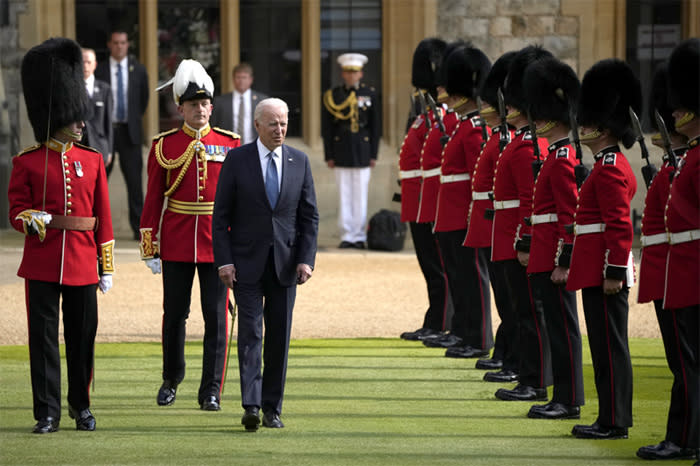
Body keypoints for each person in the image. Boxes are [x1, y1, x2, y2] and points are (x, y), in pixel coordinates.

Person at [9, 37, 114, 433]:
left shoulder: (92, 161)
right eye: (75, 117)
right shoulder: (28, 163)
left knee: (83, 339)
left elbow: (101, 217)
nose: (81, 123)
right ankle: (48, 411)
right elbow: (16, 212)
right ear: (60, 116)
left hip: (84, 262)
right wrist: (31, 218)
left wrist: (106, 267)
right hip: (42, 259)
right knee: (44, 342)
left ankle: (80, 406)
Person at [139, 60, 241, 411]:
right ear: (180, 107)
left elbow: (241, 203)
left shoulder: (231, 144)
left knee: (216, 318)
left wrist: (240, 246)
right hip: (178, 239)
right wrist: (150, 245)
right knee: (174, 315)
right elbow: (153, 197)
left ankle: (211, 389)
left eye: (204, 104)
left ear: (211, 106)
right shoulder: (163, 145)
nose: (200, 110)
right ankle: (171, 378)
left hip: (218, 243)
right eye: (193, 105)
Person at [213, 97, 319, 431]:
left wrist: (306, 259)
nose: (279, 129)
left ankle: (273, 408)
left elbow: (309, 216)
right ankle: (252, 405)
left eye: (284, 122)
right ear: (257, 125)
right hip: (246, 264)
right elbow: (221, 217)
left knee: (279, 338)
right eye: (273, 123)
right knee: (250, 335)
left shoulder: (299, 161)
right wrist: (225, 261)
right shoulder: (237, 159)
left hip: (286, 265)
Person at [568, 58, 640, 440]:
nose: (582, 128)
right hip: (598, 267)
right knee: (604, 347)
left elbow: (618, 224)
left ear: (602, 126)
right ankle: (610, 416)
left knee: (610, 349)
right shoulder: (605, 164)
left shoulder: (610, 166)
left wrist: (613, 271)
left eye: (587, 122)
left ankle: (614, 421)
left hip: (605, 271)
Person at [636, 38, 699, 461]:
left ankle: (687, 438)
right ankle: (682, 436)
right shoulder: (690, 157)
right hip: (682, 270)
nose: (673, 114)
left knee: (691, 363)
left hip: (693, 271)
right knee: (684, 363)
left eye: (681, 106)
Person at [521, 57, 584, 420]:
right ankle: (563, 396)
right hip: (545, 254)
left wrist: (564, 261)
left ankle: (569, 399)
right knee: (556, 329)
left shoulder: (560, 160)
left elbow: (568, 217)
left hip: (553, 257)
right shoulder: (554, 157)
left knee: (563, 330)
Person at [489, 46, 552, 401]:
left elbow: (531, 202)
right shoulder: (520, 141)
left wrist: (525, 240)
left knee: (530, 313)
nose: (507, 109)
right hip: (510, 235)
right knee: (521, 311)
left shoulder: (529, 145)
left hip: (520, 239)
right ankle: (529, 374)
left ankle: (535, 379)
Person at [431, 44, 493, 358]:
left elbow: (475, 179)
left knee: (473, 278)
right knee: (460, 278)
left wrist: (473, 217)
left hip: (465, 217)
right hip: (451, 215)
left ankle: (479, 338)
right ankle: (463, 332)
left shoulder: (473, 129)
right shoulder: (463, 127)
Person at [462, 51, 517, 373]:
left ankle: (512, 355)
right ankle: (506, 351)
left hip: (506, 225)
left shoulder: (509, 141)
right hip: (494, 221)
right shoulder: (498, 138)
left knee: (512, 300)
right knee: (505, 297)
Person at [398, 38, 451, 342]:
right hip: (417, 200)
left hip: (429, 202)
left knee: (438, 266)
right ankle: (437, 319)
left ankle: (441, 321)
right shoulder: (424, 114)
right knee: (431, 266)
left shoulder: (440, 117)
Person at [95, 28, 149, 240]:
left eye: (123, 43)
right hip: (104, 133)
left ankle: (139, 231)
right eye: (116, 42)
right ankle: (93, 227)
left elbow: (142, 101)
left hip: (129, 132)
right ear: (109, 45)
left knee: (135, 184)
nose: (119, 46)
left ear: (128, 45)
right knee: (97, 182)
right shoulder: (100, 70)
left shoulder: (139, 70)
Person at [322, 53, 380, 249]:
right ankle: (347, 234)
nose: (351, 76)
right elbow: (327, 128)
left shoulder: (369, 94)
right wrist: (328, 155)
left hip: (363, 150)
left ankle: (359, 235)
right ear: (343, 74)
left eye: (354, 73)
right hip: (341, 150)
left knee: (360, 194)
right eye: (348, 72)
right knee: (344, 194)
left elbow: (375, 126)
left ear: (361, 74)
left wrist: (374, 154)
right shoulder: (334, 95)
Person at [210, 62, 268, 144]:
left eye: (244, 77)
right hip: (228, 147)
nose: (241, 81)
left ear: (251, 80)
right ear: (233, 79)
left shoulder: (262, 101)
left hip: (254, 147)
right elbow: (213, 128)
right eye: (238, 77)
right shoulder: (220, 102)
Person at [81, 47, 113, 170]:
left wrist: (109, 150)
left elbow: (108, 122)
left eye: (88, 62)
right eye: (82, 62)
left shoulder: (105, 89)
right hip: (78, 147)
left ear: (95, 64)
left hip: (99, 147)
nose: (85, 66)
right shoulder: (72, 89)